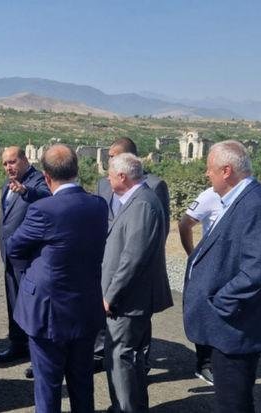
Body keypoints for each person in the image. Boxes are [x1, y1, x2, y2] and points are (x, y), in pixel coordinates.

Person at [7, 145, 108, 413]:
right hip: (85, 309)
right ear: (76, 169)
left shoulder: (43, 209)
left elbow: (14, 247)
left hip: (47, 313)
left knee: (47, 388)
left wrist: (33, 271)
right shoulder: (98, 206)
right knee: (82, 384)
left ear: (46, 176)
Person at [183, 140, 261, 413]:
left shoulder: (257, 204)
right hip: (228, 325)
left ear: (226, 171)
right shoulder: (237, 200)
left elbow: (260, 268)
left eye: (209, 169)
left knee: (233, 404)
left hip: (235, 327)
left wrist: (222, 303)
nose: (206, 174)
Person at [102, 153, 173, 413]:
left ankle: (126, 408)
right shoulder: (136, 200)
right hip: (129, 298)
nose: (107, 180)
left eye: (110, 175)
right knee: (129, 357)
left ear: (122, 176)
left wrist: (111, 295)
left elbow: (133, 257)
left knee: (120, 356)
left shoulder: (142, 204)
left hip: (128, 300)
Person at [93, 137, 170, 371]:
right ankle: (101, 354)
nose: (108, 160)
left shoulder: (153, 187)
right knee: (110, 322)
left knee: (135, 327)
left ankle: (139, 363)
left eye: (112, 156)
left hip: (138, 269)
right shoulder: (103, 184)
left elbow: (159, 230)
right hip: (109, 259)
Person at [0, 146, 51, 365]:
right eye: (5, 164)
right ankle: (17, 345)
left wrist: (25, 191)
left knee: (31, 307)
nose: (8, 167)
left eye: (12, 162)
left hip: (29, 257)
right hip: (10, 256)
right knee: (13, 302)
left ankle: (37, 354)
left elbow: (47, 196)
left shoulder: (37, 180)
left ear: (25, 160)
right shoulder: (7, 184)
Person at [178, 186, 221, 385]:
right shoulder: (210, 195)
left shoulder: (251, 194)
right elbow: (185, 223)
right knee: (204, 312)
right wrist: (194, 255)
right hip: (210, 265)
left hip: (234, 265)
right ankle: (205, 364)